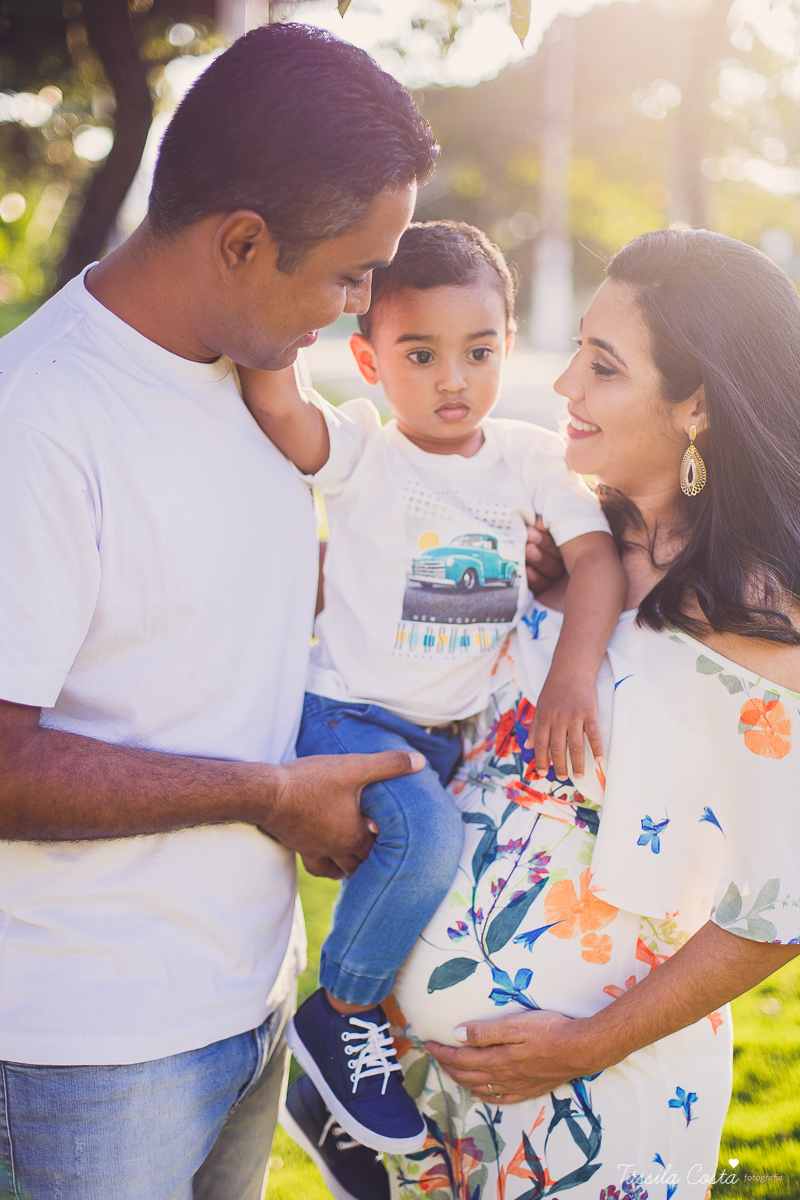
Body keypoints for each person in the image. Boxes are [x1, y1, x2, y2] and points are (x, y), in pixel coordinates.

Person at [0, 24, 440, 1200]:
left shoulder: (252, 383)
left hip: (251, 1002)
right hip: (83, 1055)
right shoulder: (39, 422)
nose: (359, 307)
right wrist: (268, 795)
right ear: (242, 239)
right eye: (351, 271)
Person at [379, 229, 800, 1199]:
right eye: (574, 347)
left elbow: (783, 901)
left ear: (696, 404)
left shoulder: (756, 614)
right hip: (433, 1090)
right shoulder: (565, 540)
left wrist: (580, 1047)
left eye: (602, 366)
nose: (562, 383)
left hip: (594, 1095)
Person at [239, 220, 625, 1155]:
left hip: (449, 735)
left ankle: (335, 1101)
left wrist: (573, 672)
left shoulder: (530, 456)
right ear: (368, 359)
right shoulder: (367, 449)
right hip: (347, 716)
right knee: (427, 843)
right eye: (420, 354)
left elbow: (598, 558)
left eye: (479, 351)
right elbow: (284, 413)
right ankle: (338, 1016)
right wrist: (275, 332)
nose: (453, 379)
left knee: (444, 900)